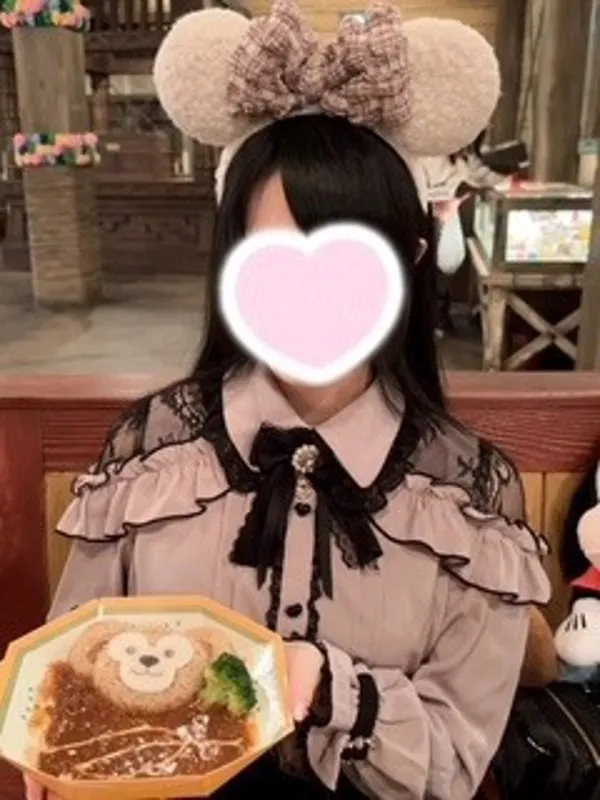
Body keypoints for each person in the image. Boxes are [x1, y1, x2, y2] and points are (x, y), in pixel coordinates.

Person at [25, 2, 551, 798]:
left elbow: (452, 761)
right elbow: (77, 669)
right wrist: (54, 737)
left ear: (411, 263)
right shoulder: (152, 451)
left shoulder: (471, 496)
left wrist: (327, 685)